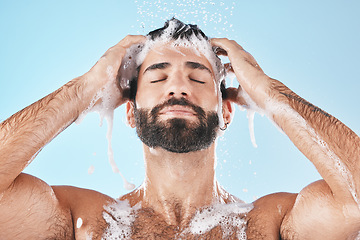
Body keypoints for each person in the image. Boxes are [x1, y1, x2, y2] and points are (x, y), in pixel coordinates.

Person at [0, 18, 359, 240]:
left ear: (226, 113)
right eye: (157, 77)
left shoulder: (266, 225)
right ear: (129, 113)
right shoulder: (89, 221)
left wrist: (268, 91)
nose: (177, 88)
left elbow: (355, 200)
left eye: (198, 77)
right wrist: (84, 88)